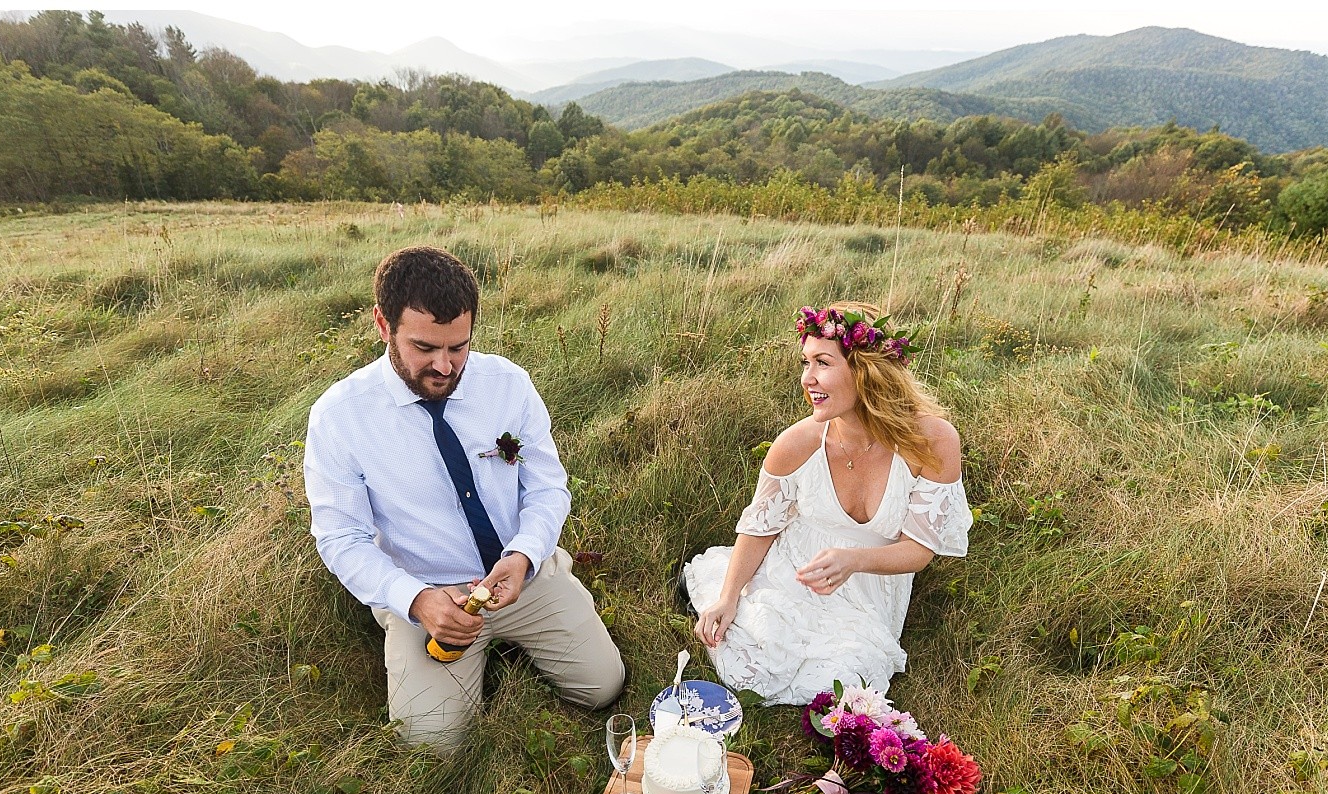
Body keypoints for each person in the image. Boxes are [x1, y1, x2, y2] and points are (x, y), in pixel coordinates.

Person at [303, 246, 625, 750]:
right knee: (432, 746)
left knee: (602, 687)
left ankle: (514, 631)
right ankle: (446, 650)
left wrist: (524, 555)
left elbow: (546, 486)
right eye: (425, 347)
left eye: (459, 347)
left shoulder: (508, 385)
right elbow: (342, 539)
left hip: (523, 574)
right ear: (382, 325)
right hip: (426, 592)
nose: (445, 366)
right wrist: (416, 600)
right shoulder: (340, 416)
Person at [684, 302, 972, 706]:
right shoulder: (796, 444)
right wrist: (729, 598)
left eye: (822, 362)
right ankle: (716, 584)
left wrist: (852, 559)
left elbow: (920, 550)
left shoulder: (933, 440)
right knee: (753, 663)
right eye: (805, 363)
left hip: (870, 586)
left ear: (865, 369)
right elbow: (760, 526)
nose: (807, 379)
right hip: (796, 567)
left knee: (839, 681)